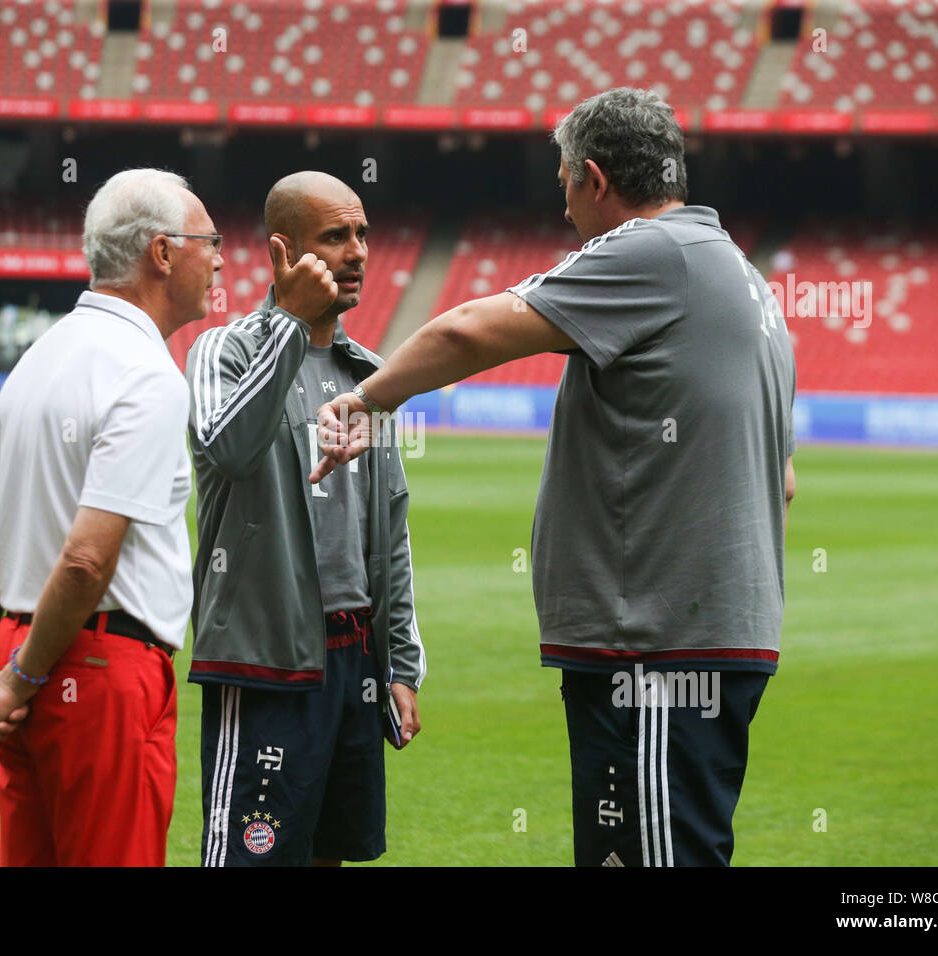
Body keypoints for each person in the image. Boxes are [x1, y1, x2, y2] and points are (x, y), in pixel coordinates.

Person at [314, 88, 797, 867]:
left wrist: (367, 400)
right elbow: (783, 483)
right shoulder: (746, 280)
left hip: (655, 649)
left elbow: (471, 328)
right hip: (709, 642)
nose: (566, 208)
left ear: (596, 179)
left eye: (566, 183)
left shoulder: (651, 252)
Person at [0, 168, 225, 867]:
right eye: (209, 241)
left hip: (17, 652)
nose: (218, 257)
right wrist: (21, 680)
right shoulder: (146, 372)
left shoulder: (36, 361)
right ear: (162, 253)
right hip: (99, 668)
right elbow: (87, 560)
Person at [186, 171, 426, 867]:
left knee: (331, 853)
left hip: (355, 660)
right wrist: (289, 324)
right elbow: (226, 448)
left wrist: (400, 665)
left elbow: (391, 527)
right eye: (335, 237)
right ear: (284, 254)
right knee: (252, 859)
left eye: (361, 235)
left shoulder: (369, 375)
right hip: (267, 660)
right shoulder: (222, 352)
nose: (357, 253)